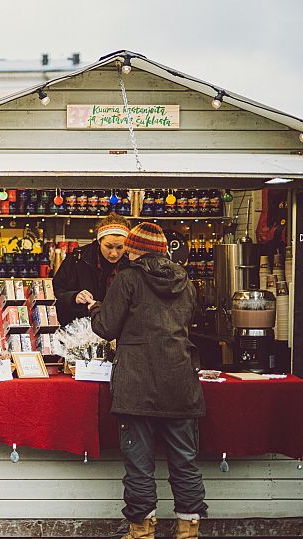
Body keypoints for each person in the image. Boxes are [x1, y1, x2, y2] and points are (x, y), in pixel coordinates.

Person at [90, 222, 206, 539]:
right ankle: (188, 531)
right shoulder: (185, 281)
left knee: (139, 464)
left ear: (135, 249)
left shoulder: (128, 279)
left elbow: (107, 328)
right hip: (180, 381)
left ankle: (141, 531)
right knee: (185, 462)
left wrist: (96, 307)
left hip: (137, 383)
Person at [53, 212, 130, 327]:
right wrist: (74, 297)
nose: (114, 253)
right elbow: (57, 291)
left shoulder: (131, 265)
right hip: (78, 331)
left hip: (117, 330)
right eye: (108, 246)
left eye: (120, 247)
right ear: (99, 241)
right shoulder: (76, 259)